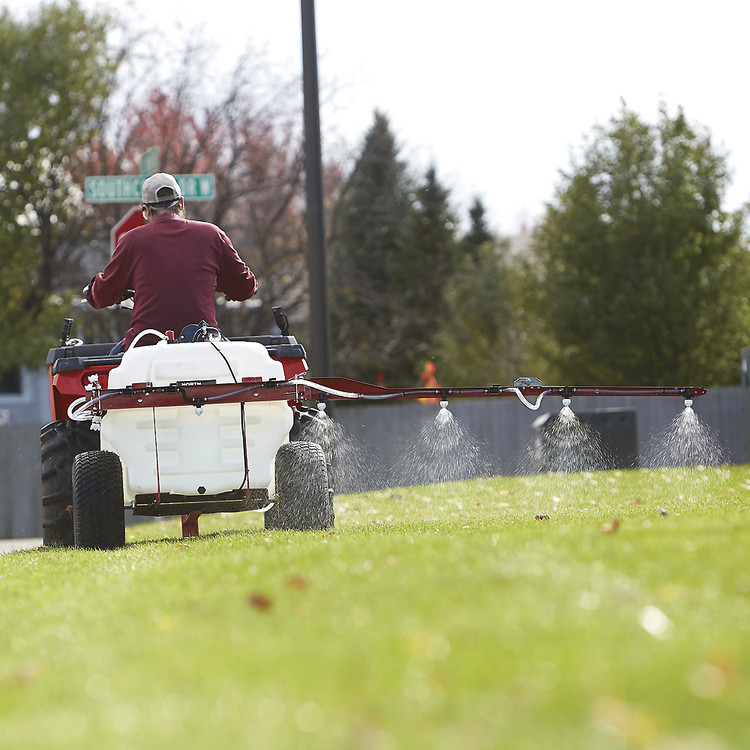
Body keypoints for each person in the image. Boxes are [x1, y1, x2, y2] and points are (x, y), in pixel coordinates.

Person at [85, 172, 257, 350]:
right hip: (203, 343)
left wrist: (93, 289)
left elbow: (103, 295)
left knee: (112, 361)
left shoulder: (132, 241)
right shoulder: (213, 235)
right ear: (181, 203)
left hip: (146, 346)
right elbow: (244, 288)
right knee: (233, 358)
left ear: (146, 211)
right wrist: (222, 285)